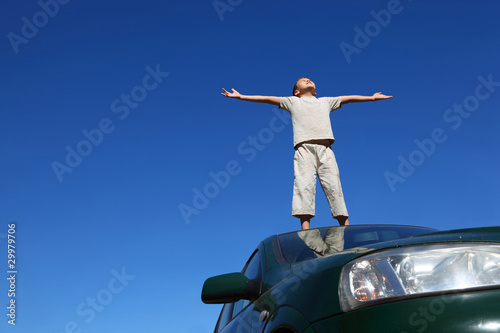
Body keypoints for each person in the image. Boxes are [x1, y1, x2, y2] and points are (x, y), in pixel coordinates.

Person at [221, 77, 392, 230]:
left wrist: (371, 98)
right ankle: (306, 230)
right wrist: (241, 96)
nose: (307, 80)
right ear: (297, 92)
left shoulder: (325, 101)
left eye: (309, 79)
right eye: (303, 81)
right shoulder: (292, 102)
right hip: (304, 149)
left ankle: (345, 227)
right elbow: (266, 99)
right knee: (304, 185)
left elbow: (349, 98)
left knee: (334, 184)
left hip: (326, 149)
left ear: (316, 90)